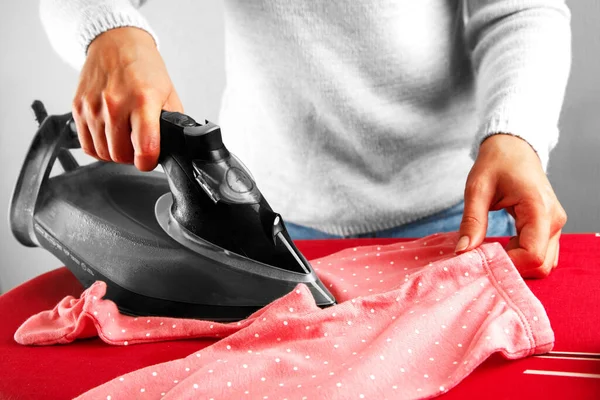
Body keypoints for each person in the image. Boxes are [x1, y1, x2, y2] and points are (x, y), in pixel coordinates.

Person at [40, 0, 571, 279]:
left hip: (457, 218)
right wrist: (110, 32)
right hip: (264, 228)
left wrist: (516, 132)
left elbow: (520, 7)